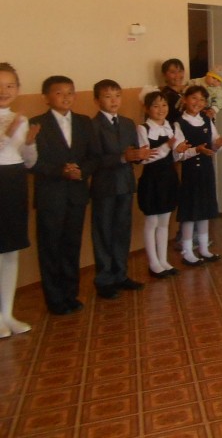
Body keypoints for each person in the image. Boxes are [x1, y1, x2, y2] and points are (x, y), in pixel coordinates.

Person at [30, 75, 98, 315]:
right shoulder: (36, 124)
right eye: (59, 93)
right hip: (51, 195)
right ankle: (55, 299)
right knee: (50, 247)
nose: (66, 97)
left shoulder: (83, 122)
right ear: (46, 97)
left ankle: (70, 294)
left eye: (70, 92)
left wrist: (82, 171)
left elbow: (93, 156)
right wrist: (60, 171)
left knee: (72, 245)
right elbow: (32, 162)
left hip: (76, 193)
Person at [91, 79, 150, 299]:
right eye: (108, 96)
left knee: (122, 231)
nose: (114, 101)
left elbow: (134, 152)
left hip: (125, 184)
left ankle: (120, 274)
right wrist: (123, 157)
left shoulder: (127, 123)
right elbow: (93, 160)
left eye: (117, 95)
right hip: (104, 186)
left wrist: (139, 156)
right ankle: (104, 279)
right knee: (103, 232)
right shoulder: (93, 125)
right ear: (97, 100)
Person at [0, 63, 38, 337]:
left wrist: (30, 143)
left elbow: (29, 162)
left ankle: (7, 313)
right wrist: (7, 135)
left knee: (11, 250)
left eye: (10, 85)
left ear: (18, 88)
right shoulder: (14, 124)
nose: (4, 91)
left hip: (14, 182)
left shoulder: (20, 119)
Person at [173, 85, 222, 266]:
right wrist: (197, 150)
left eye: (202, 100)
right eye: (194, 98)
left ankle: (204, 248)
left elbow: (214, 143)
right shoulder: (179, 123)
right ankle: (187, 251)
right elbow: (179, 153)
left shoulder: (206, 120)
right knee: (190, 212)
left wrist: (218, 145)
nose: (198, 102)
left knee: (205, 209)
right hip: (189, 172)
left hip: (206, 170)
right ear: (185, 99)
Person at [136, 91, 180, 278]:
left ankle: (163, 260)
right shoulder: (143, 129)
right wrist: (166, 147)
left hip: (169, 177)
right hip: (152, 179)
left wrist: (181, 150)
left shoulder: (171, 127)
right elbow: (145, 158)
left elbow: (176, 155)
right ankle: (153, 262)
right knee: (152, 222)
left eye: (164, 105)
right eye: (155, 106)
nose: (161, 109)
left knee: (164, 222)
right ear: (147, 109)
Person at [158, 58, 188, 126]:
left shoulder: (186, 91)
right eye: (173, 72)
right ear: (164, 75)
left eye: (180, 71)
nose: (177, 75)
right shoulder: (166, 95)